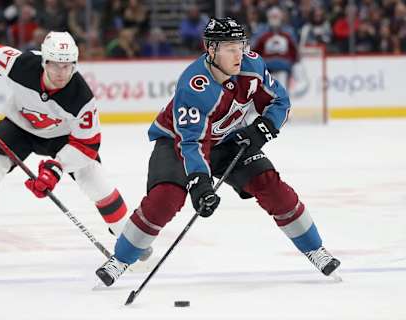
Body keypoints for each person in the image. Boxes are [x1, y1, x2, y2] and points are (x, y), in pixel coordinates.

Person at [95, 17, 340, 286]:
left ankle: (315, 249)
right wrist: (200, 183)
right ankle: (120, 259)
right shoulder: (193, 85)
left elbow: (280, 100)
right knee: (166, 198)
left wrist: (265, 128)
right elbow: (192, 143)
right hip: (177, 143)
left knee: (269, 184)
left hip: (227, 141)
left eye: (241, 45)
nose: (239, 54)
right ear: (211, 49)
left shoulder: (253, 65)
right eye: (230, 48)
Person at [0, 31, 151, 265]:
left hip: (65, 138)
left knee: (96, 181)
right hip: (19, 127)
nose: (62, 73)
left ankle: (129, 239)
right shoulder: (21, 64)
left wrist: (56, 168)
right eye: (55, 66)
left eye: (68, 66)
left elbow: (88, 145)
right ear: (44, 62)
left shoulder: (81, 98)